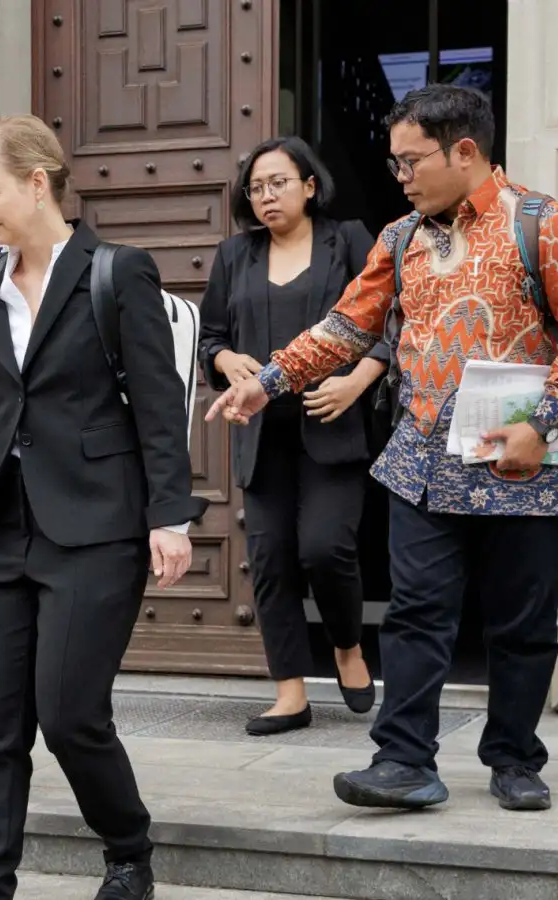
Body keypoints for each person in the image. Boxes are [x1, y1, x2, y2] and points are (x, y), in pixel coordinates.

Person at [208, 85, 558, 813]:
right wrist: (270, 381)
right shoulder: (399, 237)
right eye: (395, 163)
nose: (401, 175)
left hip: (524, 459)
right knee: (417, 612)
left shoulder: (549, 224)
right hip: (421, 457)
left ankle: (514, 756)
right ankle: (404, 760)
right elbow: (349, 327)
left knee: (522, 620)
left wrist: (541, 424)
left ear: (465, 152)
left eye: (411, 161)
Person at [0, 115, 208, 900]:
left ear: (36, 182)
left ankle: (128, 846)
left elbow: (160, 407)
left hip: (96, 526)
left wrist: (170, 516)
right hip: (1, 526)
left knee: (68, 717)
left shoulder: (118, 271)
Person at [197, 136, 381, 736]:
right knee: (271, 560)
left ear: (309, 184)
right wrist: (226, 363)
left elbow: (387, 319)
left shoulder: (348, 239)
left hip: (332, 423)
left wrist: (355, 382)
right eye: (255, 187)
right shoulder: (234, 255)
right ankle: (290, 692)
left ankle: (348, 648)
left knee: (326, 549)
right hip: (261, 434)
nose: (266, 195)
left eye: (278, 182)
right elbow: (211, 338)